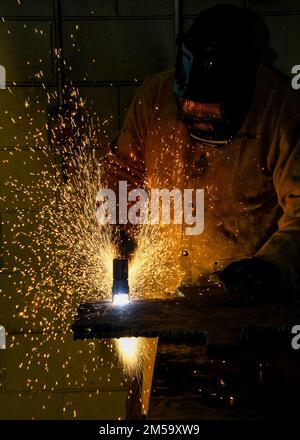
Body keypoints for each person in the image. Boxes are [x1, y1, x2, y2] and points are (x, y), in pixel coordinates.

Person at [103, 3, 300, 301]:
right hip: (166, 298)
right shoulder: (155, 97)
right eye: (190, 111)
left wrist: (272, 265)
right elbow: (122, 173)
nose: (201, 123)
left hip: (241, 301)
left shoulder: (282, 113)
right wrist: (119, 233)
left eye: (212, 113)